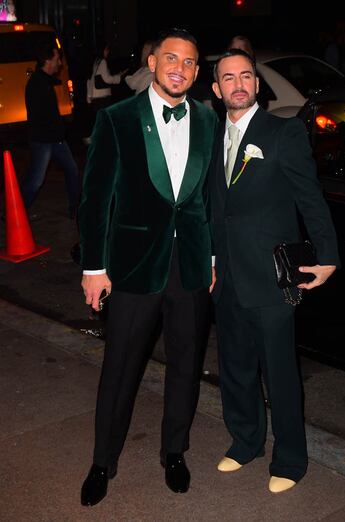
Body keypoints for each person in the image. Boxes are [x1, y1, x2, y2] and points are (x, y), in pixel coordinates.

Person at [78, 28, 217, 507]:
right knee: (120, 368)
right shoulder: (117, 118)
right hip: (133, 267)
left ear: (198, 72)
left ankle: (174, 452)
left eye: (191, 62)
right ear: (153, 62)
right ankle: (103, 460)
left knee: (185, 365)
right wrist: (94, 267)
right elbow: (96, 201)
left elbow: (208, 197)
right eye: (172, 58)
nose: (181, 67)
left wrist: (212, 255)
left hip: (192, 267)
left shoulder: (206, 115)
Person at [209, 49, 340, 494]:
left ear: (257, 85)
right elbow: (212, 209)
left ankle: (290, 459)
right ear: (216, 89)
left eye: (246, 75)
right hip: (226, 276)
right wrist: (208, 260)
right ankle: (245, 442)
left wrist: (327, 256)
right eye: (228, 78)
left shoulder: (283, 132)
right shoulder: (211, 136)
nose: (238, 84)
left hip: (271, 275)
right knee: (235, 368)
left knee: (281, 374)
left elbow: (310, 198)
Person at [21, 42, 80, 220]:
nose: (60, 63)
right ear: (47, 60)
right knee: (36, 180)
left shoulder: (43, 81)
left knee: (72, 171)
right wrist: (60, 128)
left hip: (54, 139)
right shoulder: (37, 84)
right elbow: (42, 116)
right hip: (43, 140)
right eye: (56, 59)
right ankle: (17, 211)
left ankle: (76, 209)